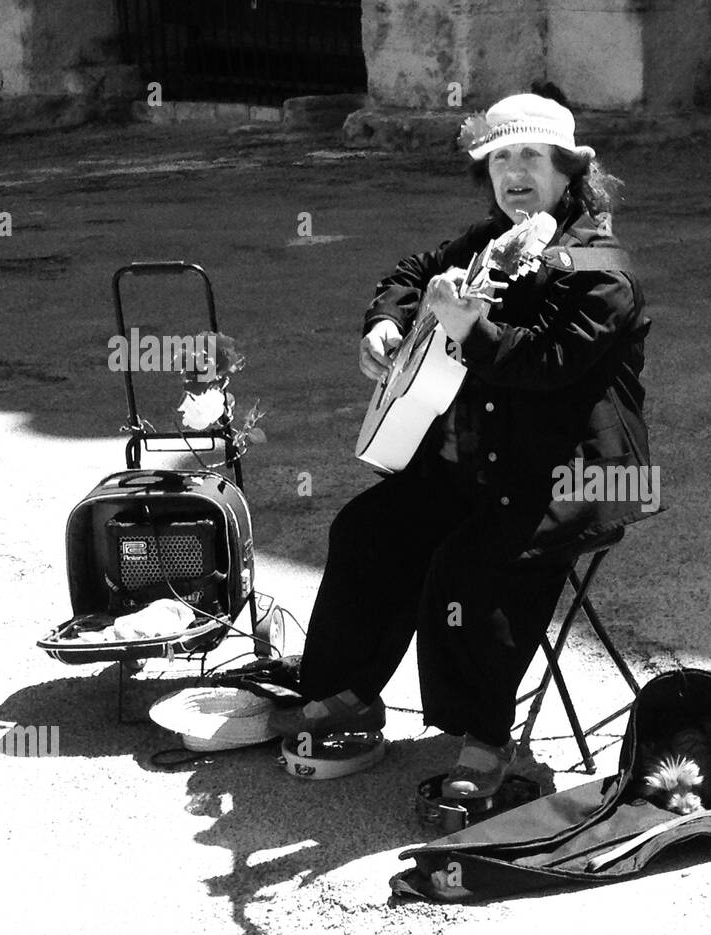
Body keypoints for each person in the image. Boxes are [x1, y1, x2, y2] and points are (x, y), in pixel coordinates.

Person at [269, 86, 658, 800]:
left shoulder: (603, 271)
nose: (515, 173)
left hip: (576, 478)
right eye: (500, 157)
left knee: (469, 569)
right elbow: (413, 273)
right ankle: (349, 696)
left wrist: (466, 330)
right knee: (369, 528)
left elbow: (544, 366)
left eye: (532, 157)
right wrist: (386, 323)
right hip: (485, 462)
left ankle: (487, 741)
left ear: (570, 169)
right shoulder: (488, 243)